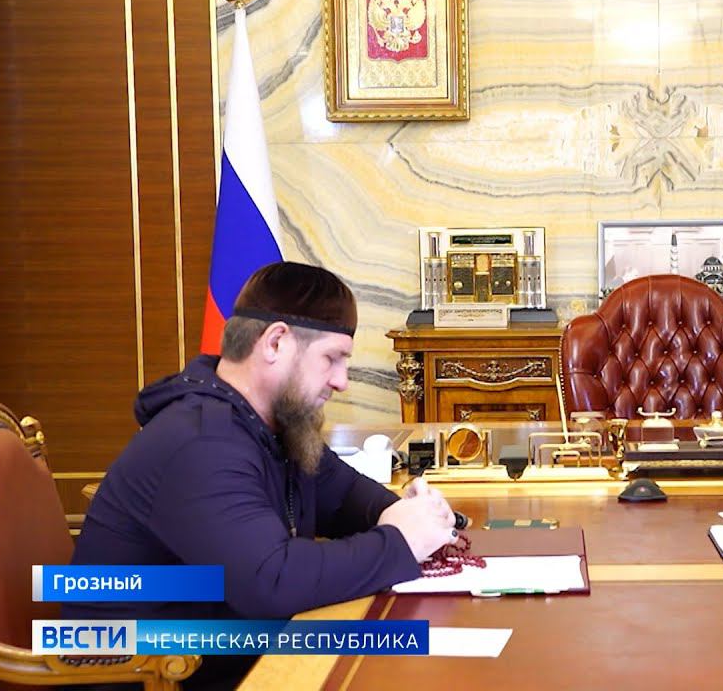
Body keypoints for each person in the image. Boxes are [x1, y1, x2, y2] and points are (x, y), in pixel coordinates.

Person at [65, 261, 455, 689]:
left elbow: (342, 495)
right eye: (331, 359)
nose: (341, 381)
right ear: (275, 342)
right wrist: (400, 541)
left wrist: (412, 512)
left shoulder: (275, 423)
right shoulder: (200, 441)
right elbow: (271, 581)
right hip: (150, 673)